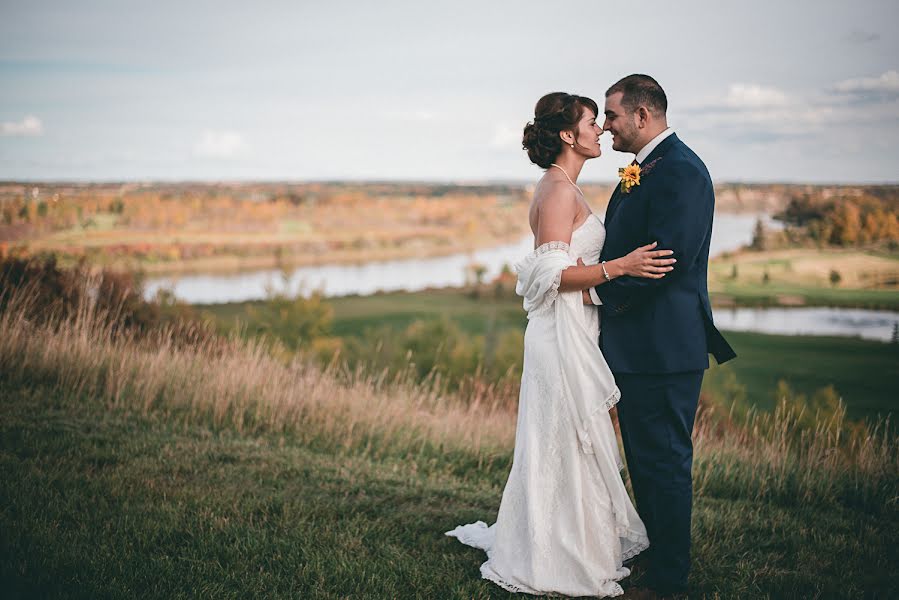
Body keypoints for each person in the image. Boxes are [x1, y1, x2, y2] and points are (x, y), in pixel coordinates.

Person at [446, 91, 677, 597]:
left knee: (577, 440)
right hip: (558, 337)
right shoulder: (555, 191)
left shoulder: (564, 185)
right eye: (594, 123)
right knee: (563, 440)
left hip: (576, 331)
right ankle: (553, 554)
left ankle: (579, 542)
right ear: (569, 135)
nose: (601, 131)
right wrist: (621, 266)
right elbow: (551, 274)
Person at [593, 74, 737, 597]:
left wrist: (594, 294)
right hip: (638, 346)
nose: (606, 126)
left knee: (665, 462)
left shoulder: (680, 171)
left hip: (663, 346)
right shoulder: (646, 169)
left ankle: (671, 578)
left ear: (642, 116)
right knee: (646, 460)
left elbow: (667, 263)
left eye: (611, 116)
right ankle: (658, 556)